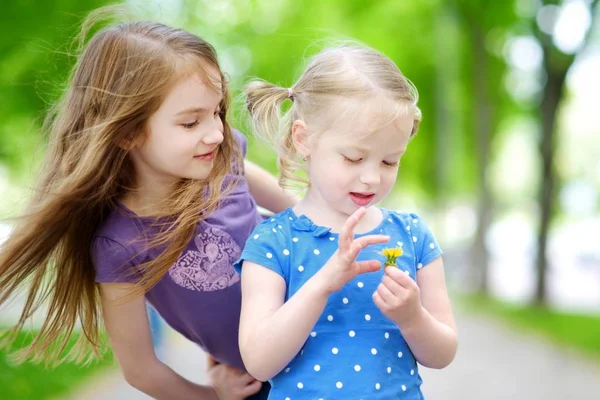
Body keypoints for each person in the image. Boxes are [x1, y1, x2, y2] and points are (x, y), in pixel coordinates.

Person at [0, 11, 296, 400]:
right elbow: (141, 370)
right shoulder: (119, 245)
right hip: (266, 387)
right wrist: (216, 395)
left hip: (338, 339)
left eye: (217, 112)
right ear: (127, 132)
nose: (215, 132)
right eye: (191, 123)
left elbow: (304, 215)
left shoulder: (224, 159)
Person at [235, 45, 458, 399]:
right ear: (304, 140)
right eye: (354, 158)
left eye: (389, 162)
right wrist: (323, 282)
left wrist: (412, 317)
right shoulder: (272, 242)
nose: (371, 178)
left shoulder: (412, 236)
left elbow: (443, 353)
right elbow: (259, 362)